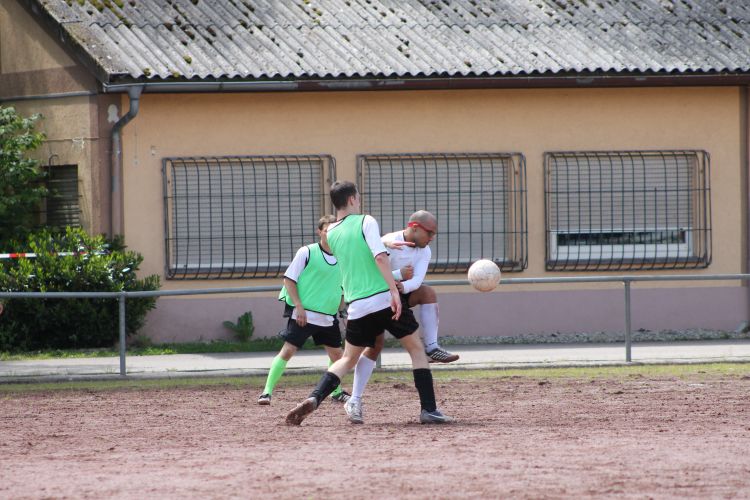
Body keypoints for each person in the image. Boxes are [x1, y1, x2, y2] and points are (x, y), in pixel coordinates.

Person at [285, 181, 453, 426]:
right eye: (358, 196)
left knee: (347, 359)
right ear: (352, 199)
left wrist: (386, 244)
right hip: (382, 297)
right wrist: (394, 291)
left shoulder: (331, 232)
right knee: (417, 350)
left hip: (356, 305)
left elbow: (359, 253)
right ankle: (429, 409)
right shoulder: (366, 221)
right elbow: (379, 258)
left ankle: (315, 397)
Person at [345, 210, 459, 423]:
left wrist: (401, 286)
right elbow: (372, 269)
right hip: (379, 297)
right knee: (374, 346)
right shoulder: (389, 241)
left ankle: (432, 347)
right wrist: (395, 277)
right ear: (414, 227)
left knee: (427, 293)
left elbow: (416, 281)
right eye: (430, 233)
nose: (432, 238)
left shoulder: (425, 251)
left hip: (402, 292)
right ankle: (355, 400)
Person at [257, 215, 351, 406]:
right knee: (288, 351)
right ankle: (267, 392)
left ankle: (336, 392)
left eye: (335, 231)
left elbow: (342, 288)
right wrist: (298, 306)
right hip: (304, 314)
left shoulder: (343, 257)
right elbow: (289, 280)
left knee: (337, 356)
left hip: (328, 317)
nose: (331, 234)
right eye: (327, 230)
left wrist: (344, 313)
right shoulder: (307, 252)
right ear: (319, 232)